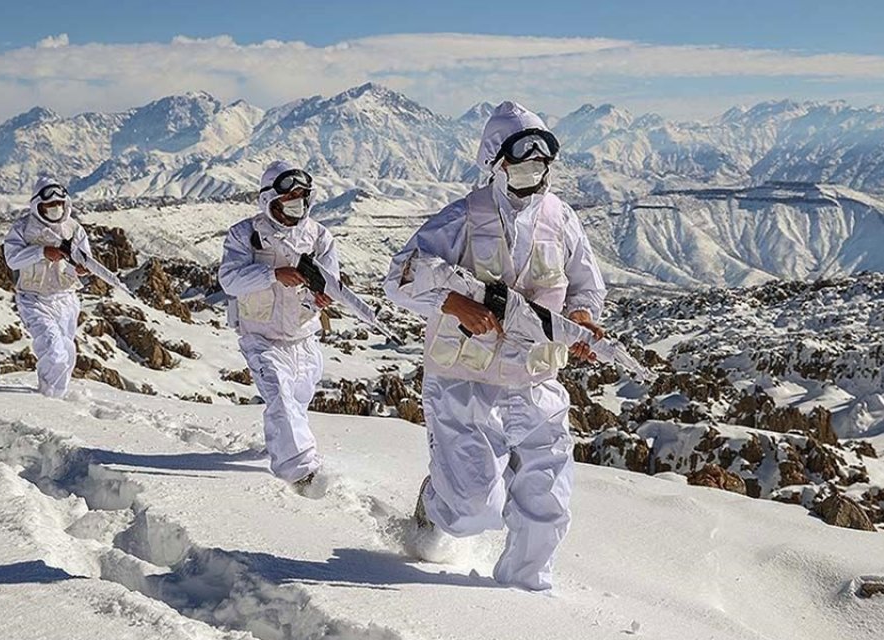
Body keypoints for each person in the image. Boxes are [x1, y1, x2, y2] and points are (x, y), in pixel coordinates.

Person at [383, 101, 607, 592]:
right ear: (494, 162)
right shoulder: (460, 218)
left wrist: (584, 316)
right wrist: (453, 304)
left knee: (547, 506)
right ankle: (435, 503)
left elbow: (585, 286)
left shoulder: (563, 220)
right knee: (471, 511)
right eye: (521, 159)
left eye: (541, 161)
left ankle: (523, 600)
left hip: (536, 383)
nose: (533, 169)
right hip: (465, 385)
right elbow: (396, 280)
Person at [218, 160, 340, 493]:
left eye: (301, 200)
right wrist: (273, 274)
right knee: (282, 401)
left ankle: (281, 449)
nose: (294, 208)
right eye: (287, 201)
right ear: (269, 200)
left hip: (304, 339)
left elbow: (332, 282)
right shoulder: (246, 234)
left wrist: (322, 297)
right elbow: (229, 279)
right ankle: (302, 476)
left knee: (296, 403)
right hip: (262, 338)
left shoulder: (318, 236)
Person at [3, 177, 93, 398]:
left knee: (68, 351)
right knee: (54, 350)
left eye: (59, 203)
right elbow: (12, 259)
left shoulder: (73, 228)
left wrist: (80, 269)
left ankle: (57, 397)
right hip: (34, 299)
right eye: (49, 204)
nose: (55, 208)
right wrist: (41, 252)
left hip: (66, 299)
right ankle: (44, 396)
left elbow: (84, 260)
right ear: (37, 205)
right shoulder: (22, 228)